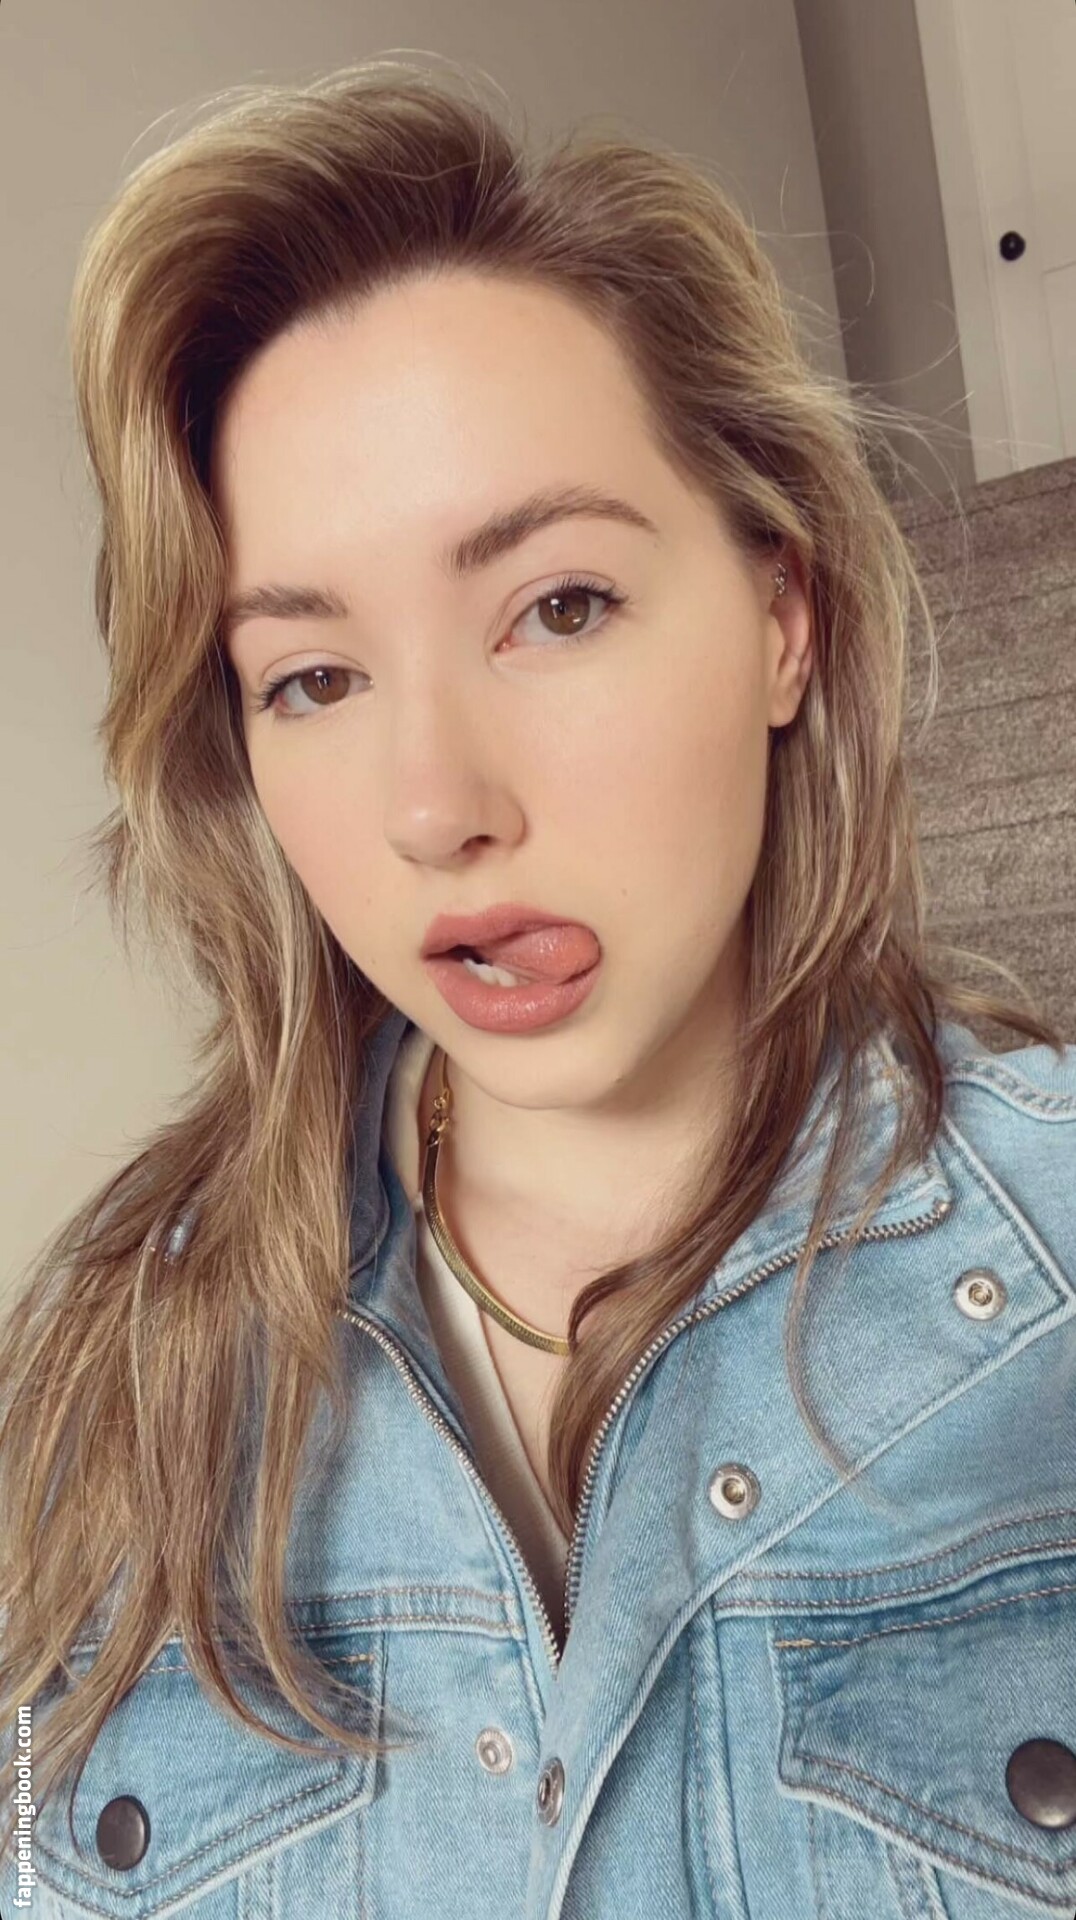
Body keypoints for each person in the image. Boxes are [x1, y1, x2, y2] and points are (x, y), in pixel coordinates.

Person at [2, 55, 1074, 1920]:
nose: (437, 807)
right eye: (312, 678)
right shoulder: (114, 1389)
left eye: (557, 607)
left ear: (782, 620)